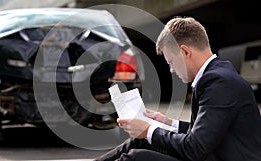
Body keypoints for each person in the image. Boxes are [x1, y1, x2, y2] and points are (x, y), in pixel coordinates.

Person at [95, 16, 261, 161]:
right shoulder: (219, 74)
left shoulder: (218, 82)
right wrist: (168, 122)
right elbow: (207, 132)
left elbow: (195, 148)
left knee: (135, 157)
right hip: (215, 155)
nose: (172, 70)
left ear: (185, 52)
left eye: (171, 62)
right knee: (142, 140)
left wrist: (148, 130)